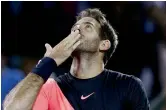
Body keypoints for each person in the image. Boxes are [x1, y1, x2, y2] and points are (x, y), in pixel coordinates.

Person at [3, 8, 150, 110]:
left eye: (88, 26)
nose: (77, 30)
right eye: (75, 27)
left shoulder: (128, 86)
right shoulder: (50, 87)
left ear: (104, 44)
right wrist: (48, 62)